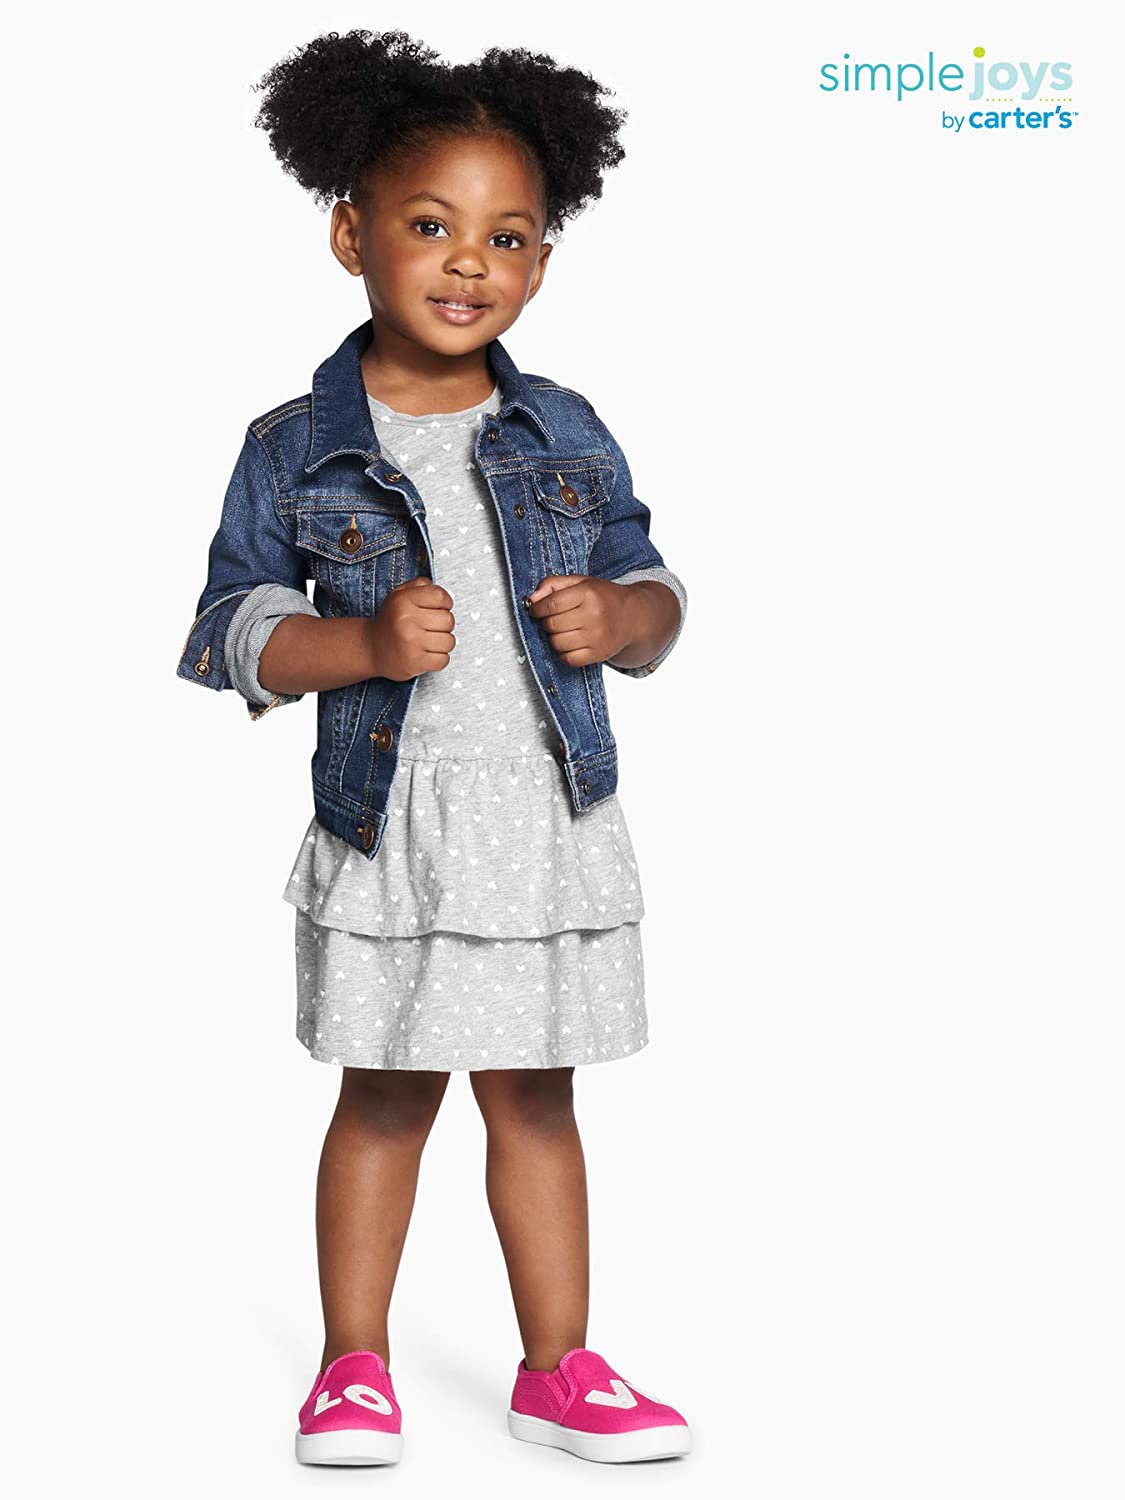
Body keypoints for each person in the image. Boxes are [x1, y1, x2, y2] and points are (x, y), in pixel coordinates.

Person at [177, 28, 691, 1467]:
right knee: (385, 1097)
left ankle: (559, 1369)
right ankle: (352, 1367)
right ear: (352, 235)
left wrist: (624, 617)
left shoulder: (566, 430)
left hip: (544, 825)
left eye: (506, 237)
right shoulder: (295, 447)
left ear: (540, 265)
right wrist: (354, 646)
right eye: (428, 226)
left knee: (538, 1099)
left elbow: (657, 593)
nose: (469, 261)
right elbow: (227, 629)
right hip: (393, 825)